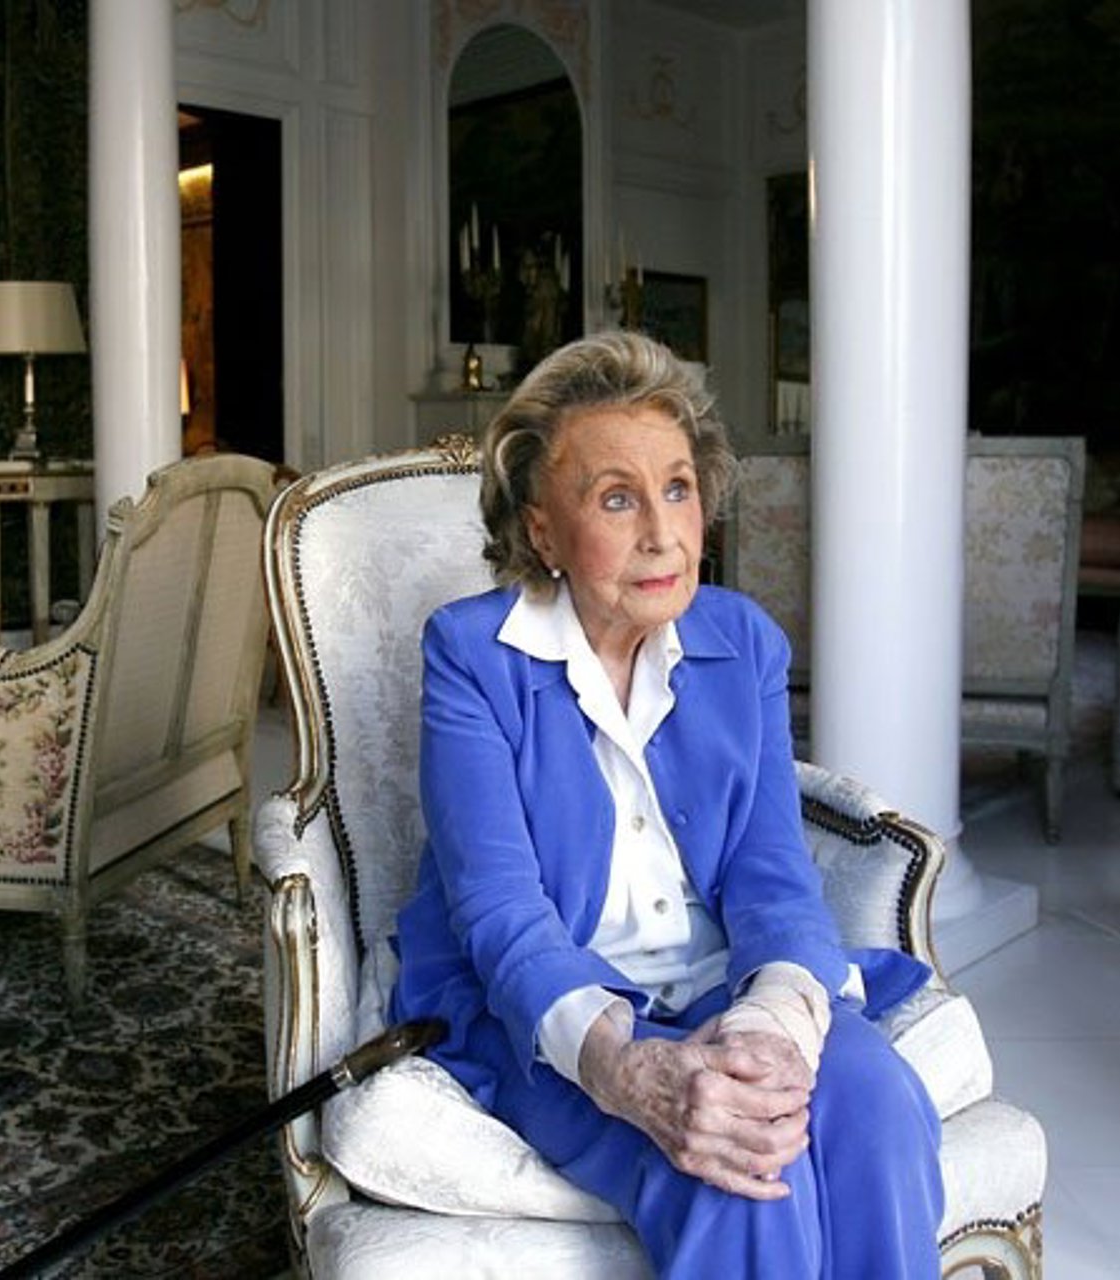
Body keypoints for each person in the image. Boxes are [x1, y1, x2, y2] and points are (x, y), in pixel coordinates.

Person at [388, 331, 944, 1277]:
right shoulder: (472, 655)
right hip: (549, 1008)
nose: (663, 533)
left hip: (726, 983)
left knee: (879, 1109)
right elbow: (497, 907)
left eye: (678, 489)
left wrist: (770, 1026)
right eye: (617, 498)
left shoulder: (744, 642)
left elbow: (772, 874)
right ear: (541, 531)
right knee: (742, 1181)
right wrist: (625, 1070)